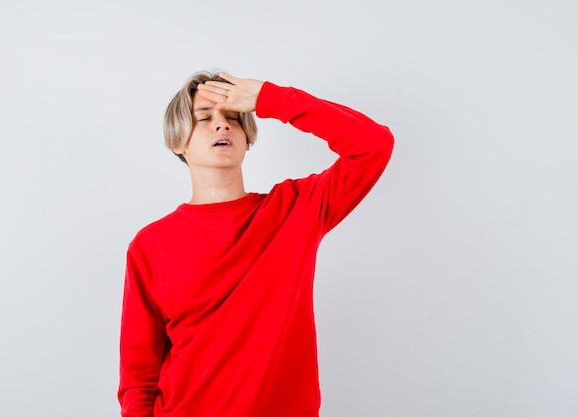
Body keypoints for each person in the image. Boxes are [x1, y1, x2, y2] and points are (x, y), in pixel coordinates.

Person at [118, 71, 394, 417]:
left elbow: (373, 144)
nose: (222, 125)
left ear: (248, 138)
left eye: (233, 117)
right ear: (178, 143)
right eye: (204, 118)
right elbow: (138, 378)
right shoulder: (150, 245)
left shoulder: (295, 210)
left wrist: (270, 99)